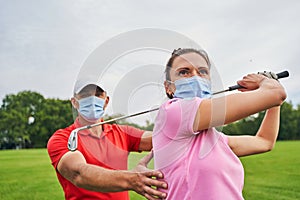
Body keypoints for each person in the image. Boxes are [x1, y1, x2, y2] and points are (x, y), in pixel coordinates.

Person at [152, 48, 287, 199]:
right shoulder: (174, 112)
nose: (195, 77)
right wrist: (266, 82)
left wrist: (273, 99)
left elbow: (264, 141)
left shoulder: (215, 139)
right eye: (184, 72)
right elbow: (276, 94)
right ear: (168, 87)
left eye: (202, 71)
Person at [47, 79, 167, 200]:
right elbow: (79, 174)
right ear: (74, 102)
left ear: (106, 101)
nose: (92, 100)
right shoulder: (62, 138)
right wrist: (131, 179)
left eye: (98, 95)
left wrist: (179, 111)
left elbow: (163, 139)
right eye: (85, 95)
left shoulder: (122, 133)